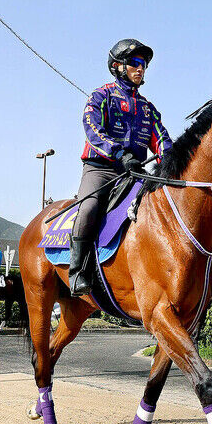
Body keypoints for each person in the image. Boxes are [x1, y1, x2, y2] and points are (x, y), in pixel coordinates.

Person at [69, 38, 173, 296]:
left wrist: (173, 162)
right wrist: (119, 153)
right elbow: (93, 130)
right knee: (90, 207)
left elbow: (163, 141)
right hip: (101, 169)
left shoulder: (147, 108)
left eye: (144, 65)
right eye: (135, 64)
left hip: (134, 171)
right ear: (117, 66)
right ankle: (78, 272)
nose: (141, 69)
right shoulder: (100, 96)